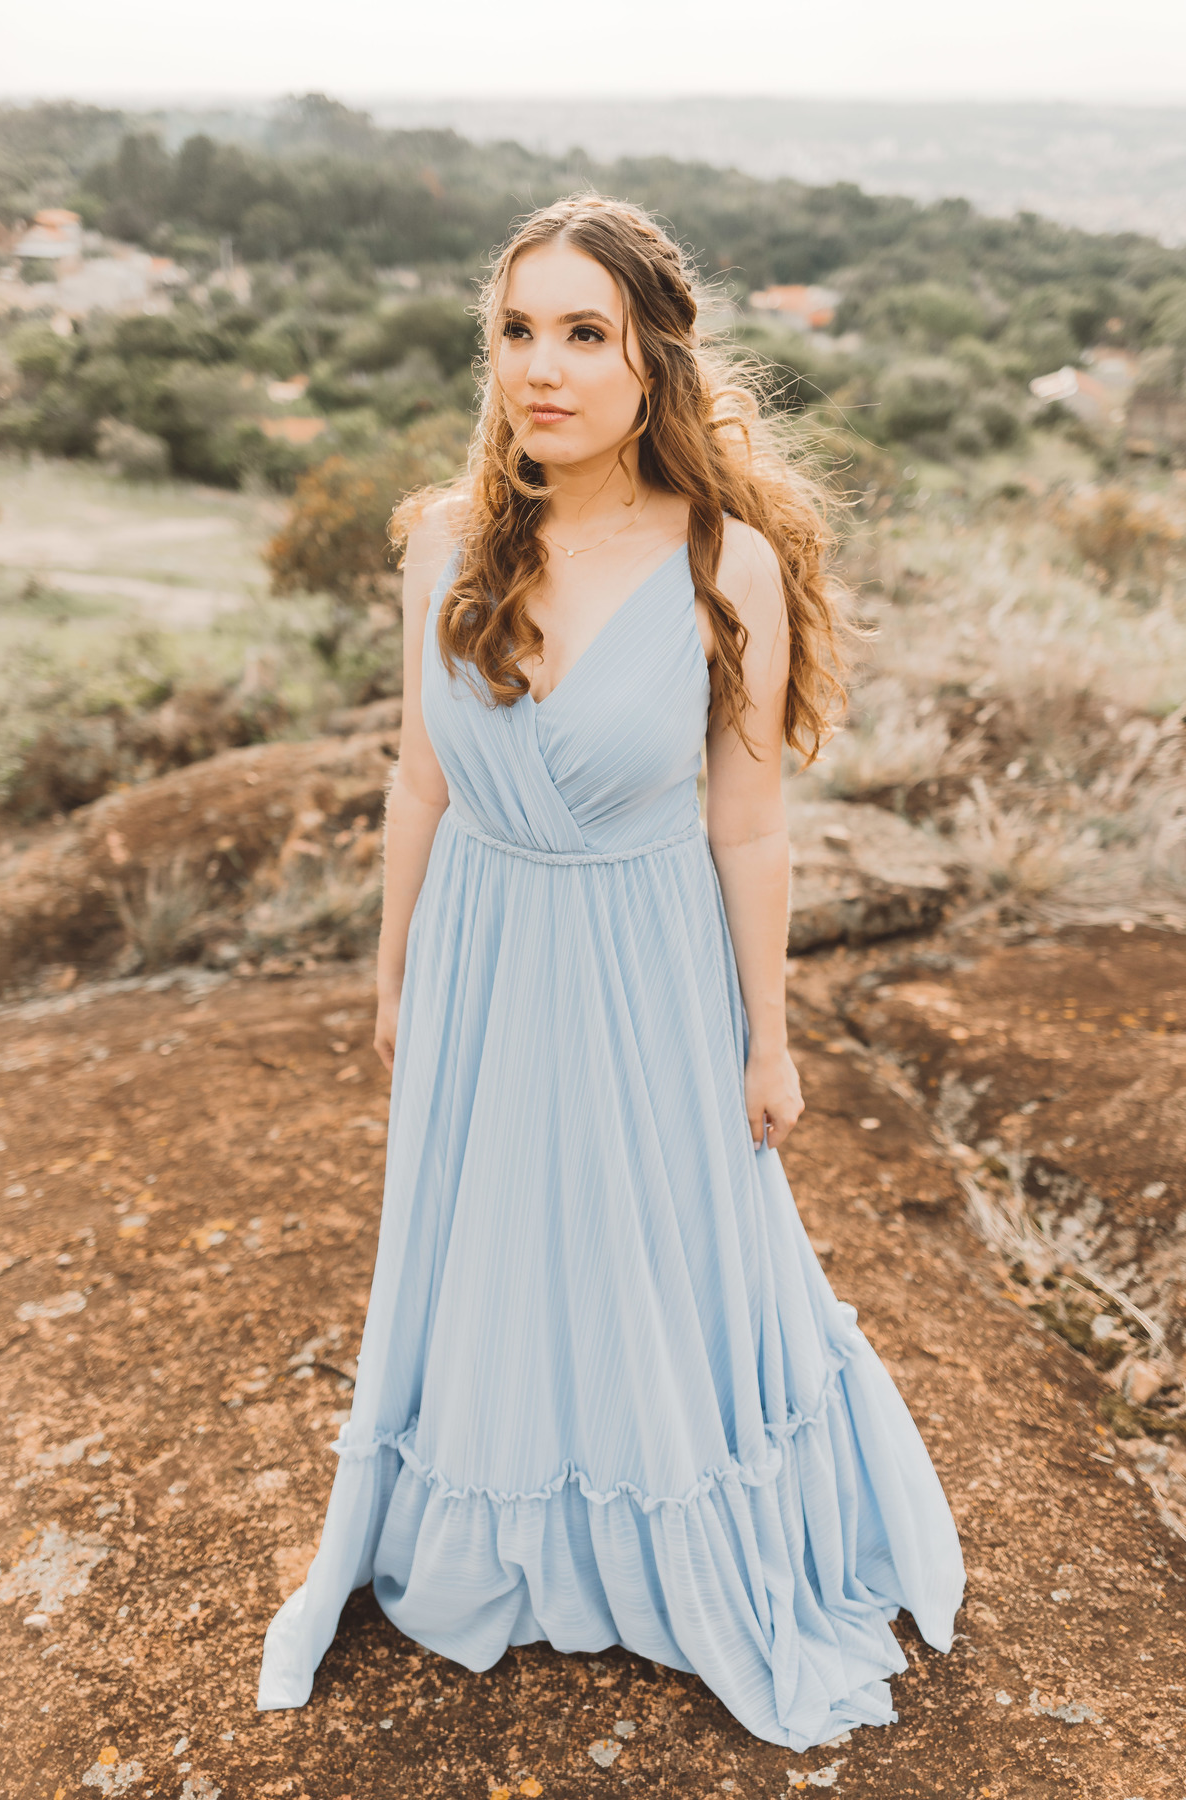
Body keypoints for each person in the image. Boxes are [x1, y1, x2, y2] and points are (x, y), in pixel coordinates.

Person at [257, 193, 965, 1751]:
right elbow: (419, 779)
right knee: (501, 1245)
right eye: (518, 331)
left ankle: (671, 1548)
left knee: (654, 1254)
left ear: (656, 358)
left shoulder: (729, 565)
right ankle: (507, 1531)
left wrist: (767, 1043)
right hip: (484, 949)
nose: (542, 368)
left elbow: (752, 827)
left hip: (648, 962)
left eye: (585, 333)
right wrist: (393, 977)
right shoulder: (447, 538)